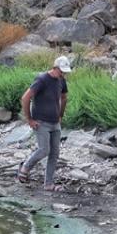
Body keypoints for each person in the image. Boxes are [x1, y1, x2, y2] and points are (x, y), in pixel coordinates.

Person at [18, 55, 71, 191]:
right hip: (41, 122)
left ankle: (48, 184)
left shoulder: (61, 81)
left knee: (55, 153)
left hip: (55, 122)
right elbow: (25, 98)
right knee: (44, 150)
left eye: (65, 72)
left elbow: (64, 97)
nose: (63, 74)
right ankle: (25, 167)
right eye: (61, 71)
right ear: (55, 68)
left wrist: (61, 115)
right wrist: (29, 119)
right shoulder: (42, 79)